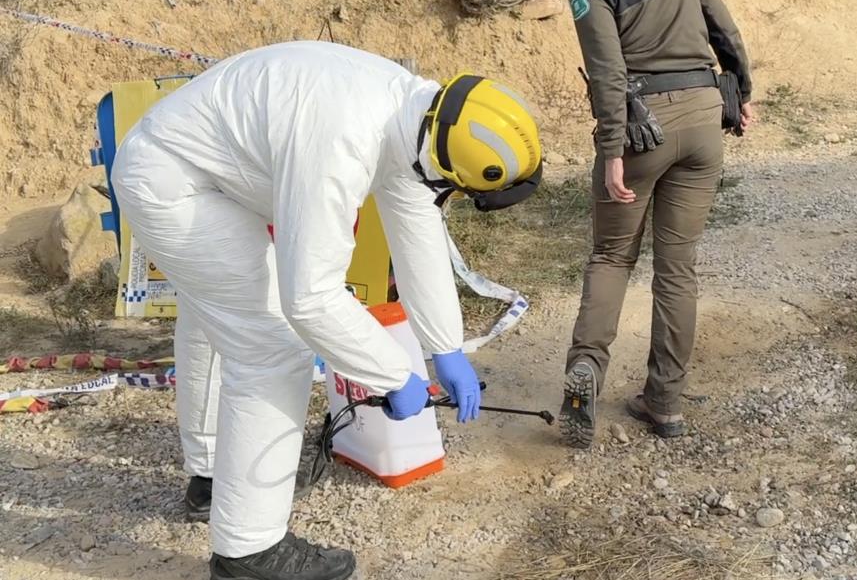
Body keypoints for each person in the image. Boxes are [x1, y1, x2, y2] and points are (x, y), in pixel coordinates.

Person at [110, 41, 542, 580]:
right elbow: (310, 299)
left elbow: (417, 227)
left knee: (216, 317)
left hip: (191, 169)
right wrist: (393, 375)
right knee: (270, 350)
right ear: (447, 164)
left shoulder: (416, 114)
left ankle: (213, 478)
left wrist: (445, 348)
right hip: (174, 186)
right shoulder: (342, 142)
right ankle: (250, 553)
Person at [533, 0, 753, 448]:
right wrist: (740, 95)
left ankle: (586, 372)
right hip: (705, 119)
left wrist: (610, 152)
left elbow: (608, 74)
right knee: (677, 267)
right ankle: (665, 403)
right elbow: (725, 32)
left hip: (642, 129)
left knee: (610, 256)